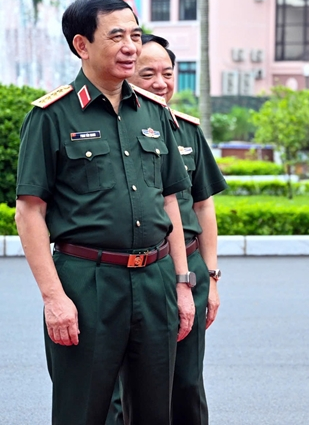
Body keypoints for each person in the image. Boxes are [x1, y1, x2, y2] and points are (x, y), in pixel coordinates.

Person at [14, 0, 194, 425]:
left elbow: (170, 200)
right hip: (87, 283)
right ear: (82, 45)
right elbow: (30, 211)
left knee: (156, 411)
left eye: (134, 34)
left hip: (154, 281)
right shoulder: (52, 116)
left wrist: (183, 284)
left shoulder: (154, 113)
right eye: (116, 37)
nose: (131, 46)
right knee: (83, 411)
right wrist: (55, 298)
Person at [106, 35, 227, 425]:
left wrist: (210, 274)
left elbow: (203, 204)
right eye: (148, 73)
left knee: (187, 382)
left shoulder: (187, 130)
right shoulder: (109, 129)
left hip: (190, 265)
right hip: (140, 267)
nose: (160, 82)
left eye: (167, 73)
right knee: (128, 389)